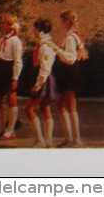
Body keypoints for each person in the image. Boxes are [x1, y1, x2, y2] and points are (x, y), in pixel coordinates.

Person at [48, 10, 87, 147]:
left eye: (62, 21)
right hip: (72, 72)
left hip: (70, 72)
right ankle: (70, 137)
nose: (60, 23)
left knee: (68, 105)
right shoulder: (75, 36)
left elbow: (70, 59)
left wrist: (55, 49)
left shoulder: (70, 38)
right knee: (66, 105)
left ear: (66, 22)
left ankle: (75, 139)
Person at [0, 14, 23, 141]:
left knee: (11, 99)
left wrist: (15, 78)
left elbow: (18, 61)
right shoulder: (4, 39)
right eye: (3, 23)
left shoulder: (16, 41)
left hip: (9, 69)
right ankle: (1, 129)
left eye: (5, 23)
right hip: (1, 67)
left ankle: (11, 131)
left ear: (11, 26)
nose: (2, 25)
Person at [25, 19, 56, 148]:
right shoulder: (46, 44)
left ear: (39, 30)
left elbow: (45, 69)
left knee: (29, 109)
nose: (33, 31)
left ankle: (40, 140)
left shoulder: (45, 46)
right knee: (45, 108)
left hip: (43, 78)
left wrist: (37, 86)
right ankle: (48, 141)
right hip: (45, 77)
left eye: (35, 29)